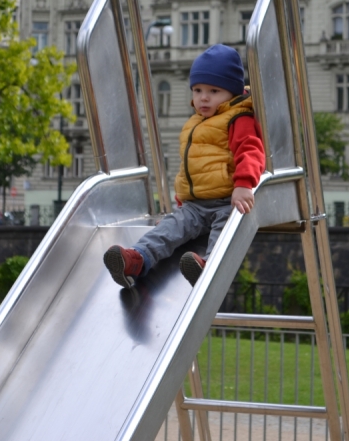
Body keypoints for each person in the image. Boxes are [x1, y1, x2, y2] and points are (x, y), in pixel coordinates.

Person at [103, 44, 266, 288]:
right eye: (198, 90)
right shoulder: (194, 124)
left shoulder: (237, 118)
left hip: (228, 201)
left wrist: (244, 184)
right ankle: (136, 259)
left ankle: (208, 267)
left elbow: (251, 151)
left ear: (232, 93)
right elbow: (190, 168)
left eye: (214, 90)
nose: (203, 97)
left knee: (224, 232)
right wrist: (182, 199)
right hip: (195, 205)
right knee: (168, 229)